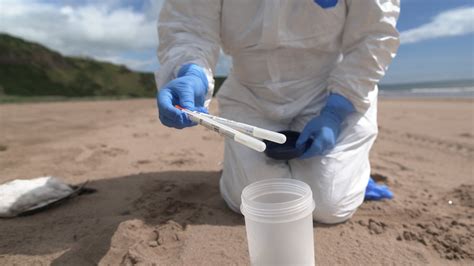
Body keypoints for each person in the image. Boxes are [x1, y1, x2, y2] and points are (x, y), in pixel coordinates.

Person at [156, 0, 400, 224]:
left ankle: (354, 172)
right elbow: (188, 25)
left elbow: (374, 35)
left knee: (330, 205)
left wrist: (336, 111)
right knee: (250, 200)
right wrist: (191, 72)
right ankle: (237, 168)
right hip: (250, 92)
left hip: (329, 90)